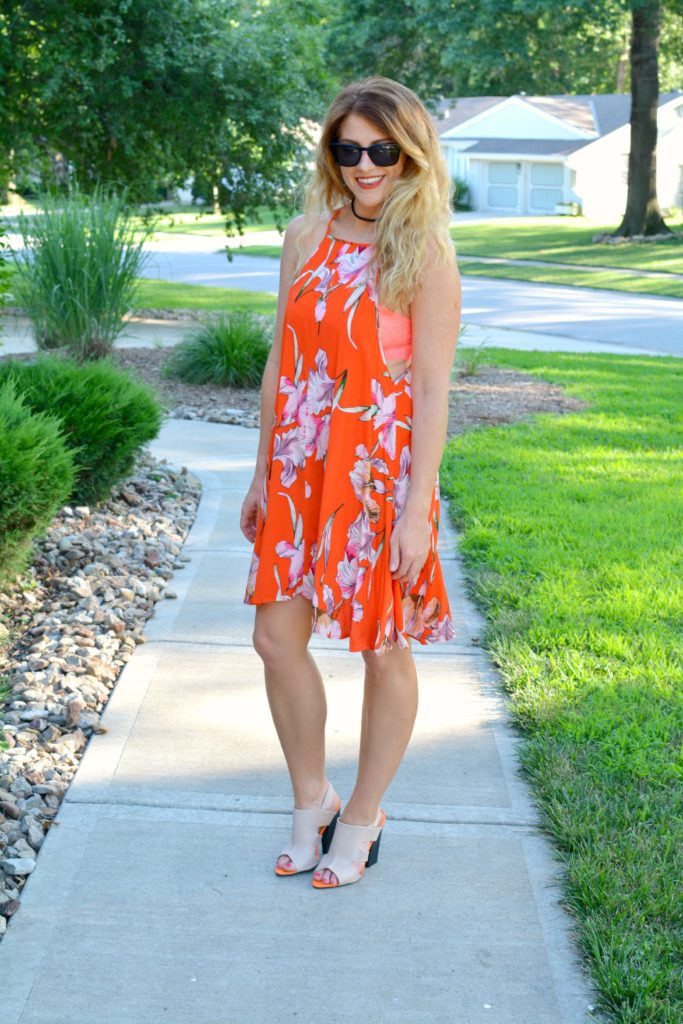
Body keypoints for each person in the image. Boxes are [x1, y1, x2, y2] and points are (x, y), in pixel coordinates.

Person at [240, 75, 461, 889]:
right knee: (274, 638)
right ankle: (312, 801)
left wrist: (415, 512)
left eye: (382, 151)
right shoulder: (305, 234)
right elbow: (281, 360)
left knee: (380, 647)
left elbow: (433, 388)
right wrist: (264, 470)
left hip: (377, 469)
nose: (365, 166)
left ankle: (362, 820)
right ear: (330, 153)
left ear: (410, 154)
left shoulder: (425, 250)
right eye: (348, 150)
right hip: (300, 464)